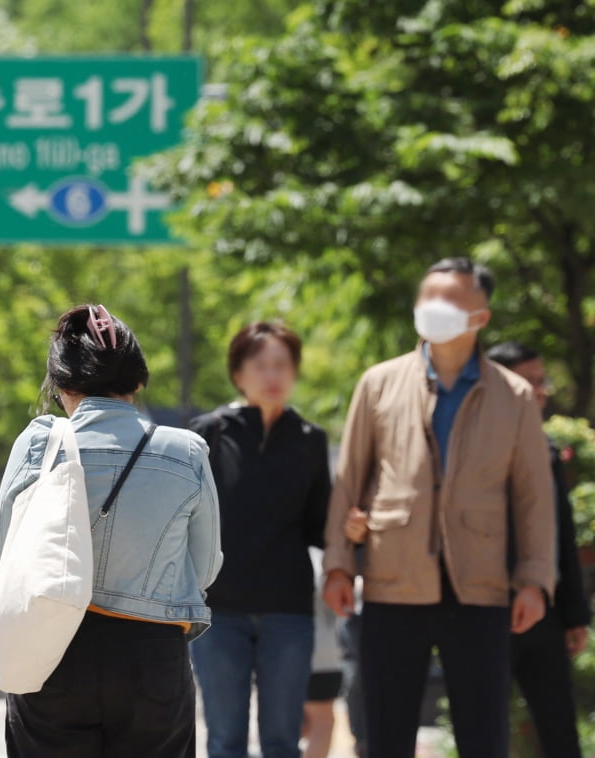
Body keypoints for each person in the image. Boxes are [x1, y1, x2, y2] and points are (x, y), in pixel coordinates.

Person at [322, 258, 556, 758]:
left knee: (482, 733)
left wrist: (535, 579)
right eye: (428, 297)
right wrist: (339, 566)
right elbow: (349, 481)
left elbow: (533, 496)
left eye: (451, 298)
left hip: (481, 584)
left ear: (482, 317)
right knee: (386, 731)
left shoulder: (513, 395)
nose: (435, 308)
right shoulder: (379, 383)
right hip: (392, 579)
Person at [0, 305, 223, 758]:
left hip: (51, 648)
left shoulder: (38, 444)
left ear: (60, 385)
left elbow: (5, 558)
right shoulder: (186, 452)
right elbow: (206, 566)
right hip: (151, 655)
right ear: (137, 381)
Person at [187, 322, 330, 758]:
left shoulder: (310, 440)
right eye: (260, 364)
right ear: (238, 373)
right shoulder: (207, 433)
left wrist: (353, 529)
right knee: (226, 740)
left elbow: (318, 528)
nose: (272, 375)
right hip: (218, 611)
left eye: (282, 365)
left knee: (282, 742)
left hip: (288, 611)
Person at [487, 341, 590, 757]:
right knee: (484, 727)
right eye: (529, 382)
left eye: (540, 380)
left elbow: (561, 536)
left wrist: (574, 614)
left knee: (559, 728)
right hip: (486, 610)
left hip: (543, 611)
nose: (541, 390)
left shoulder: (546, 450)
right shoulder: (469, 452)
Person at [303, 548, 345, 758]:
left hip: (291, 653)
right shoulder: (320, 558)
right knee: (323, 723)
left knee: (301, 723)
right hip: (322, 655)